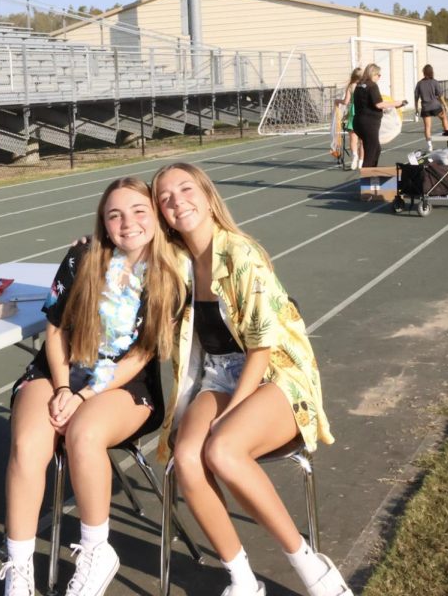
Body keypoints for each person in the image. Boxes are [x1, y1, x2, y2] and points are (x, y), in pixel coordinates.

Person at [150, 161, 350, 596]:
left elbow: (261, 347)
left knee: (222, 450)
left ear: (206, 195)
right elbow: (128, 252)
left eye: (185, 190)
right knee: (186, 459)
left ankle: (309, 566)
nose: (177, 201)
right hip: (219, 376)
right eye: (165, 198)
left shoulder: (239, 253)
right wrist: (93, 249)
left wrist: (231, 415)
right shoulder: (175, 263)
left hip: (275, 372)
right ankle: (242, 579)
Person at [0, 177, 184, 596]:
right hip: (60, 369)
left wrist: (83, 396)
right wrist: (64, 387)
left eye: (139, 211)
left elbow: (140, 356)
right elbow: (55, 328)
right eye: (114, 214)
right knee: (29, 443)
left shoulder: (171, 271)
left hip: (125, 384)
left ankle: (96, 550)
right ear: (103, 221)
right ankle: (19, 567)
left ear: (156, 216)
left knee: (83, 433)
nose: (128, 223)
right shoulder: (84, 255)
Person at [351, 63, 406, 169]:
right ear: (373, 74)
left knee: (376, 149)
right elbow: (379, 104)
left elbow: (368, 104)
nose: (379, 77)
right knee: (371, 153)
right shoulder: (372, 85)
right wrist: (397, 103)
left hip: (358, 122)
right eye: (378, 75)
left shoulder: (359, 85)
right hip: (368, 124)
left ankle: (372, 175)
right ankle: (367, 180)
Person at [413, 64, 448, 150]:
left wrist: (416, 109)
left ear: (424, 72)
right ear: (431, 72)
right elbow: (440, 95)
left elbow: (416, 98)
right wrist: (445, 105)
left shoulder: (419, 84)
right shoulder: (434, 82)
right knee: (444, 118)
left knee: (427, 127)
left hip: (425, 108)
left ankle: (429, 145)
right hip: (435, 106)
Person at [337, 67, 363, 170]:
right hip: (362, 112)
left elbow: (346, 102)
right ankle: (361, 161)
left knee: (353, 139)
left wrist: (337, 101)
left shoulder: (351, 86)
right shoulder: (364, 86)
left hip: (353, 113)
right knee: (363, 141)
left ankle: (354, 157)